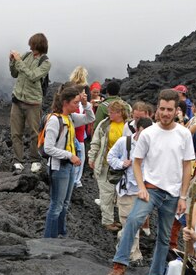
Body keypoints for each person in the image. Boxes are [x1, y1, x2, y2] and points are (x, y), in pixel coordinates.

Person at [103, 89, 195, 275]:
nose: (165, 113)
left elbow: (187, 167)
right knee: (133, 221)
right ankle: (119, 266)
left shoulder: (184, 134)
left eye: (169, 109)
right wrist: (142, 188)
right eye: (162, 108)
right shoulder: (148, 134)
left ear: (176, 110)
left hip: (173, 194)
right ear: (157, 109)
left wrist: (183, 196)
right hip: (151, 189)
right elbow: (136, 162)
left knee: (164, 237)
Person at [42, 83, 94, 238]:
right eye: (75, 103)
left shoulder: (70, 117)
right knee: (56, 205)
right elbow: (48, 148)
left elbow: (89, 118)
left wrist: (86, 104)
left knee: (64, 204)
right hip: (59, 168)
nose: (77, 106)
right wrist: (69, 155)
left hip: (69, 168)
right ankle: (49, 239)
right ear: (65, 103)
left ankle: (60, 234)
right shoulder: (54, 120)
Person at [108, 116, 153, 264]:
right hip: (126, 189)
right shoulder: (124, 142)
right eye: (143, 133)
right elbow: (110, 157)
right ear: (137, 129)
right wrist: (121, 163)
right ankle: (133, 254)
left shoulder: (151, 145)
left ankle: (126, 248)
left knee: (135, 223)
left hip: (142, 190)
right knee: (129, 222)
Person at [9, 33, 51, 173]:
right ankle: (18, 161)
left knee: (34, 133)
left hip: (33, 102)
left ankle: (35, 160)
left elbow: (33, 76)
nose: (30, 47)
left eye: (32, 44)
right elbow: (15, 74)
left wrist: (19, 61)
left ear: (37, 45)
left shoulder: (45, 62)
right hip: (17, 100)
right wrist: (12, 62)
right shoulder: (26, 56)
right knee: (16, 133)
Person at [89, 99, 130, 230]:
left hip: (124, 166)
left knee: (120, 194)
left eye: (112, 112)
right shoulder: (104, 124)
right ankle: (107, 221)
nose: (109, 115)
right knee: (106, 193)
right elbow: (95, 142)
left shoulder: (129, 126)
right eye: (109, 112)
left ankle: (118, 220)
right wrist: (91, 158)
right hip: (105, 164)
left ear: (120, 112)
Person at [68, 66, 90, 188]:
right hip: (79, 130)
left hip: (72, 129)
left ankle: (73, 179)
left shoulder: (68, 88)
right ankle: (76, 180)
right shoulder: (84, 90)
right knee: (80, 152)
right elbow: (88, 113)